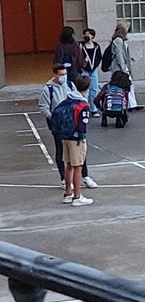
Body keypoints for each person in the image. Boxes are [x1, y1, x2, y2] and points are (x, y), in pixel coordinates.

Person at [38, 64, 97, 189]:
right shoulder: (48, 89)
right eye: (61, 75)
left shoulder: (70, 85)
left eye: (65, 74)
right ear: (55, 75)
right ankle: (63, 178)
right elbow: (44, 107)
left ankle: (85, 176)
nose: (64, 77)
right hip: (59, 126)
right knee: (61, 151)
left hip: (73, 124)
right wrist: (54, 118)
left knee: (80, 151)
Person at [60, 75, 94, 207]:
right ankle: (77, 196)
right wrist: (81, 137)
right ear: (87, 88)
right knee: (78, 166)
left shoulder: (68, 99)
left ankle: (68, 193)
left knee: (68, 165)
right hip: (76, 138)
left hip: (66, 136)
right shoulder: (83, 104)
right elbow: (82, 125)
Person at [108, 21, 141, 111]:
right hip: (119, 67)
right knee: (126, 84)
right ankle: (129, 104)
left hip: (121, 65)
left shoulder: (120, 39)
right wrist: (123, 68)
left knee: (127, 84)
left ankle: (131, 104)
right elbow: (119, 55)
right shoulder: (118, 40)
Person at [80, 28, 102, 118]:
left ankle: (93, 109)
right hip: (84, 70)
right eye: (85, 34)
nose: (87, 36)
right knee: (84, 90)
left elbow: (99, 57)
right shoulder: (81, 46)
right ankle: (84, 109)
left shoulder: (96, 46)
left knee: (94, 89)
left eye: (89, 34)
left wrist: (95, 65)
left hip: (93, 70)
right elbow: (78, 57)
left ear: (92, 36)